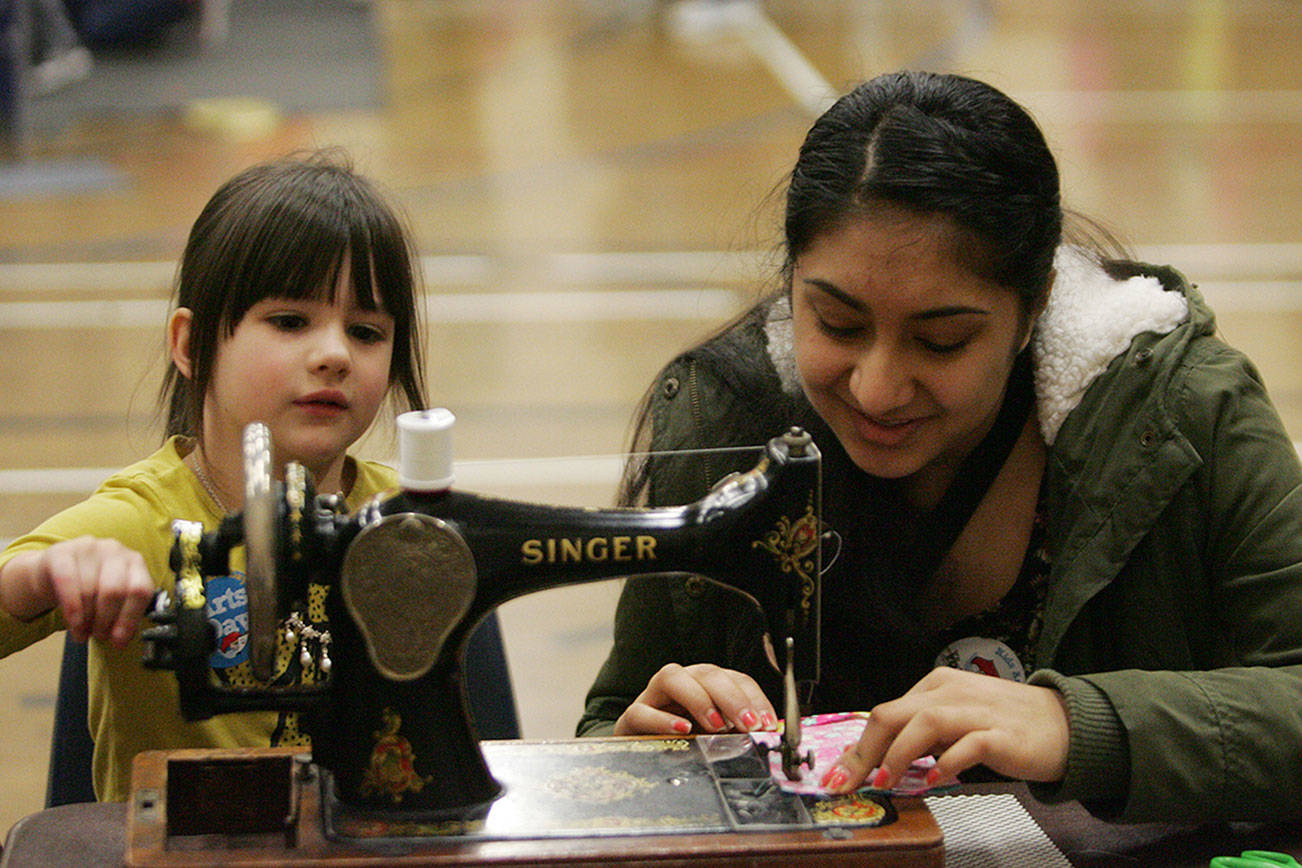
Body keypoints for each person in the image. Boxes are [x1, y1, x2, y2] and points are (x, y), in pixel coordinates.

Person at [579, 70, 1302, 823]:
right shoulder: (724, 424)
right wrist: (643, 751)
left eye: (942, 340)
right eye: (837, 323)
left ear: (1036, 306)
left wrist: (1078, 724)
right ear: (792, 281)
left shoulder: (1183, 415)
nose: (879, 389)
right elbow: (605, 731)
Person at [0, 150, 430, 802]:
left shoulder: (412, 521)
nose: (335, 354)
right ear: (190, 345)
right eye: (290, 321)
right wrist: (35, 578)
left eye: (367, 331)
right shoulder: (139, 523)